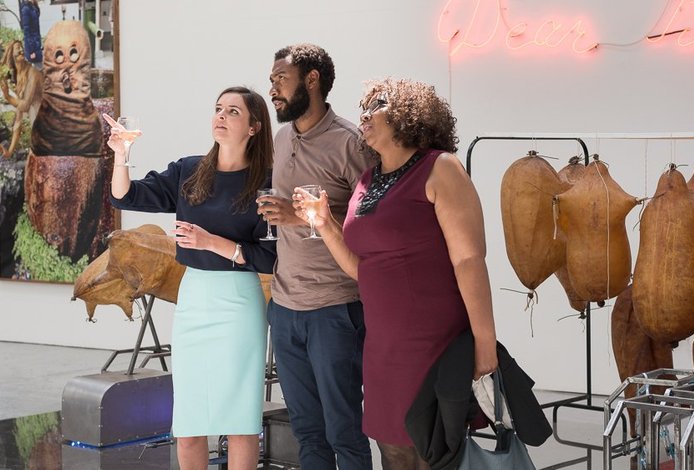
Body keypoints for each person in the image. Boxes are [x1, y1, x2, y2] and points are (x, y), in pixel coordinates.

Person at [293, 78, 499, 469]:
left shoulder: (440, 167)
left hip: (433, 342)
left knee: (432, 452)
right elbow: (362, 267)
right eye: (363, 107)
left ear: (409, 114)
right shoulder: (366, 181)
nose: (365, 115)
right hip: (383, 347)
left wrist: (484, 342)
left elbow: (469, 260)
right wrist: (323, 223)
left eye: (378, 104)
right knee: (393, 450)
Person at [107, 86, 276, 470]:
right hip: (194, 299)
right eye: (218, 108)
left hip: (239, 303)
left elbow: (270, 256)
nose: (221, 116)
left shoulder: (267, 180)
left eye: (233, 111)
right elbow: (126, 196)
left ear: (253, 127)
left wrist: (213, 243)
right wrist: (122, 156)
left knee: (240, 424)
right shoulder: (189, 170)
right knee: (189, 425)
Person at [256, 44, 373, 469]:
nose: (273, 90)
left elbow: (372, 229)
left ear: (312, 80)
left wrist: (299, 218)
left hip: (335, 309)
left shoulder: (351, 143)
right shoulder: (282, 137)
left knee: (344, 430)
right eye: (271, 81)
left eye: (280, 80)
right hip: (285, 309)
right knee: (306, 431)